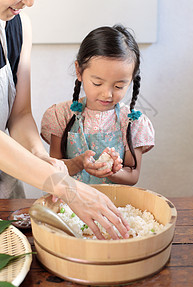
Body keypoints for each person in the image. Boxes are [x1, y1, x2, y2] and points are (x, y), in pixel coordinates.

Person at [0, 1, 130, 240]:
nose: (29, 2)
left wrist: (41, 158)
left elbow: (19, 115)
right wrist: (67, 188)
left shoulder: (18, 25)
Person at [41, 25, 155, 186]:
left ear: (131, 80)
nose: (107, 94)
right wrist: (79, 163)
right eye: (97, 83)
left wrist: (114, 171)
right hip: (68, 205)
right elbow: (54, 169)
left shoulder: (131, 122)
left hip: (112, 205)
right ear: (79, 71)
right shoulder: (61, 115)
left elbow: (133, 175)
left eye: (118, 86)